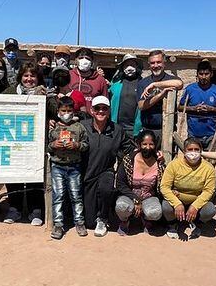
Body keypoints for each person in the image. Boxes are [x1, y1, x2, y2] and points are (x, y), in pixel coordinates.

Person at [80, 96, 134, 236]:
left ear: (109, 111)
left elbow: (131, 150)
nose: (101, 111)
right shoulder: (82, 126)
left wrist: (153, 154)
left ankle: (103, 218)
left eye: (104, 108)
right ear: (92, 110)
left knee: (106, 186)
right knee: (89, 222)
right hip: (86, 174)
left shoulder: (117, 130)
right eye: (97, 108)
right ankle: (93, 217)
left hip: (106, 171)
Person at [2, 61, 46, 226]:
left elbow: (55, 112)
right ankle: (15, 208)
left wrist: (46, 98)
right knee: (15, 175)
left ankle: (36, 210)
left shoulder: (43, 92)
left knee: (35, 177)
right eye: (26, 75)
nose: (29, 79)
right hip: (14, 143)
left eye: (33, 76)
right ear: (20, 77)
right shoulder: (10, 92)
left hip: (36, 143)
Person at [49, 96, 89, 239]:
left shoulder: (79, 127)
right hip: (57, 166)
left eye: (69, 110)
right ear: (58, 111)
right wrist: (53, 145)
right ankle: (58, 225)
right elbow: (48, 145)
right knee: (58, 196)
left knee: (76, 195)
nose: (66, 113)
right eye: (63, 110)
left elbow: (86, 145)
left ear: (74, 111)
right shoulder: (53, 128)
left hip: (74, 167)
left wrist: (77, 145)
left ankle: (79, 222)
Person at [160, 137, 216, 239]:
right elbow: (164, 187)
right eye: (190, 150)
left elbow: (208, 191)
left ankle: (196, 222)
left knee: (210, 210)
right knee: (166, 206)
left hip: (196, 200)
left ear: (201, 151)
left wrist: (195, 206)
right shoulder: (174, 165)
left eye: (196, 150)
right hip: (178, 198)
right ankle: (172, 224)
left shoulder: (208, 168)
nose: (193, 153)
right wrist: (177, 203)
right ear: (184, 151)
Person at [114, 130, 164, 235]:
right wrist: (135, 199)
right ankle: (125, 221)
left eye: (151, 144)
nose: (148, 147)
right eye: (144, 144)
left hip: (148, 196)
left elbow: (164, 184)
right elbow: (120, 184)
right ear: (139, 145)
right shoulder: (128, 160)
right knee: (121, 206)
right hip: (129, 195)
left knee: (155, 212)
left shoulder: (159, 162)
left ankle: (146, 219)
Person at [137, 49, 183, 142]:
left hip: (168, 129)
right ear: (149, 65)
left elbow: (179, 84)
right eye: (152, 63)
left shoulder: (171, 79)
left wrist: (155, 84)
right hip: (148, 130)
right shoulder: (143, 83)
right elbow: (141, 106)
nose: (156, 65)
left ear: (164, 63)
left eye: (158, 62)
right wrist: (161, 95)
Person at [177, 59, 216, 149]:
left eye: (206, 74)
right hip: (193, 134)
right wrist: (194, 108)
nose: (203, 77)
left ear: (211, 74)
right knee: (193, 160)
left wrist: (211, 109)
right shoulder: (190, 89)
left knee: (210, 162)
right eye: (201, 74)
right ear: (197, 75)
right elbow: (179, 107)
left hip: (211, 135)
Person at [109, 53, 143, 138]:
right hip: (116, 127)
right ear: (122, 68)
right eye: (127, 65)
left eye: (132, 64)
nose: (129, 67)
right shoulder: (115, 83)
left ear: (137, 66)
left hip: (134, 129)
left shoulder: (142, 83)